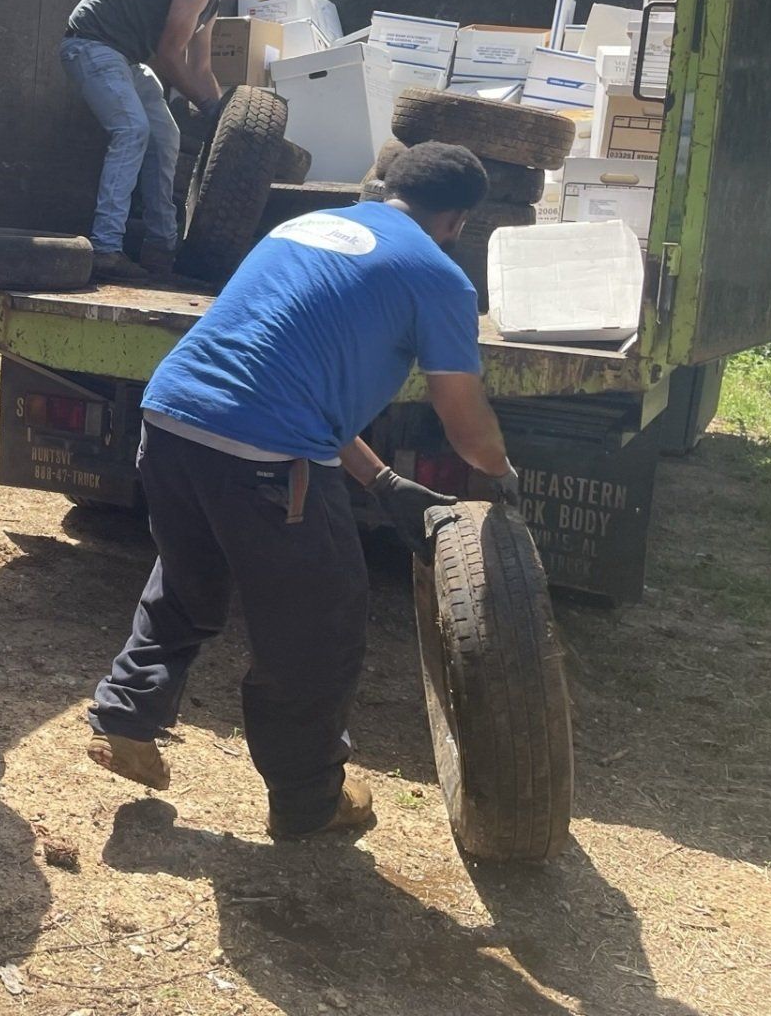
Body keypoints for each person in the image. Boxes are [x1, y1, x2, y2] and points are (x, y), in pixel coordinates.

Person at [84, 142, 521, 839]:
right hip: (264, 454)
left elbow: (285, 378)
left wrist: (380, 480)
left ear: (385, 186)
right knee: (318, 628)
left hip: (169, 420)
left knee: (190, 578)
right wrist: (501, 476)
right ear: (460, 221)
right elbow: (465, 423)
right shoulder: (439, 276)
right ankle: (308, 798)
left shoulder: (303, 229)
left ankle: (124, 718)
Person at [62, 0, 285, 281]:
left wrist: (221, 116)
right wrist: (208, 105)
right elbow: (168, 55)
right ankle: (105, 248)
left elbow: (200, 66)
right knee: (133, 130)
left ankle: (162, 247)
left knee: (166, 137)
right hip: (92, 46)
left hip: (127, 58)